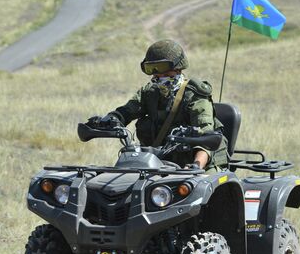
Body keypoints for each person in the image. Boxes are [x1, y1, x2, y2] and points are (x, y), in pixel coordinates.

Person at [98, 39, 229, 172]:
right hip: (156, 164)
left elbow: (206, 139)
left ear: (178, 69)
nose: (160, 77)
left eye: (166, 74)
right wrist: (110, 119)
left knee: (199, 188)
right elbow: (126, 111)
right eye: (155, 74)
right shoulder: (150, 92)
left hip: (195, 166)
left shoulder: (194, 95)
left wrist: (196, 165)